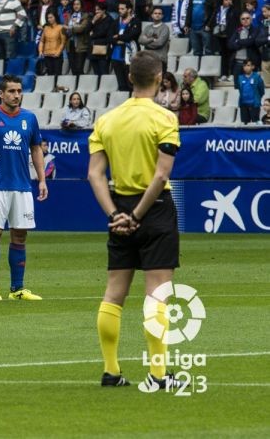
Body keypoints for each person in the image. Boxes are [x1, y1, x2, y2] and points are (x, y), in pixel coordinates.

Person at [88, 50, 183, 390]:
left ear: (129, 78)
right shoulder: (165, 119)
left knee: (113, 294)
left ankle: (111, 371)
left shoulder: (107, 120)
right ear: (160, 78)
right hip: (153, 208)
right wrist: (138, 215)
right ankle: (159, 375)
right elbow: (160, 176)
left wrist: (116, 215)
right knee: (157, 295)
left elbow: (95, 175)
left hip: (119, 206)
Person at [0, 75, 48, 301]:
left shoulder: (29, 118)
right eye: (11, 91)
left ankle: (17, 289)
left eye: (19, 91)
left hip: (22, 186)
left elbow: (36, 148)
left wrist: (42, 179)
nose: (16, 95)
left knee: (20, 235)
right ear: (1, 93)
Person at [111, 2, 141, 92]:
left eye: (122, 9)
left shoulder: (135, 21)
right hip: (115, 56)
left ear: (129, 9)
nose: (120, 11)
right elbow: (110, 36)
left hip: (129, 56)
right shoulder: (116, 22)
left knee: (130, 84)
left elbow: (133, 35)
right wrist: (117, 39)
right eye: (119, 9)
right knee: (121, 85)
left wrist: (119, 37)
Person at [237, 59, 266, 123]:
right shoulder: (240, 78)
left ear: (253, 67)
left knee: (255, 124)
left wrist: (257, 98)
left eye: (248, 65)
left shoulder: (257, 77)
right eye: (244, 66)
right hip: (243, 105)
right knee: (244, 125)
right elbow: (240, 90)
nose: (246, 67)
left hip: (254, 105)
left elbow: (262, 91)